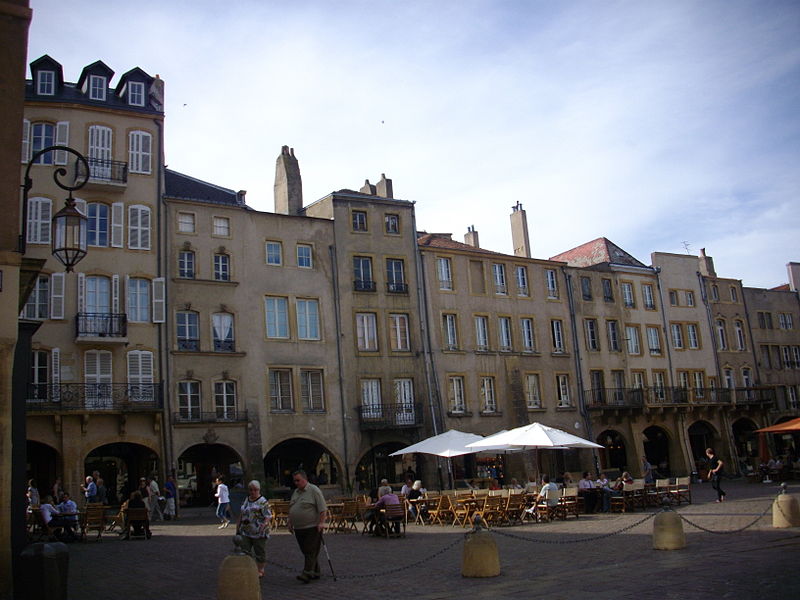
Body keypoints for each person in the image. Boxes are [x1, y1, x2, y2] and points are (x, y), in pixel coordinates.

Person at [288, 470, 327, 583]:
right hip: (299, 528)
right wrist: (290, 521)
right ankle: (316, 571)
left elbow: (322, 509)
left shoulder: (314, 490)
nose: (296, 483)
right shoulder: (296, 492)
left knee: (310, 550)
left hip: (312, 526)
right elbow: (292, 508)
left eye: (298, 480)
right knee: (306, 550)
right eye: (294, 480)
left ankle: (307, 573)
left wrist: (321, 523)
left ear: (305, 479)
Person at [237, 480, 272, 578]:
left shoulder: (262, 501)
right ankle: (249, 568)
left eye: (255, 490)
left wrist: (264, 524)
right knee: (245, 550)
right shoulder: (247, 499)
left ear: (259, 490)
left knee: (259, 550)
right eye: (251, 490)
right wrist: (238, 526)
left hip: (258, 531)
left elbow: (268, 515)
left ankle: (260, 569)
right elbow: (242, 512)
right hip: (246, 530)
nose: (253, 492)